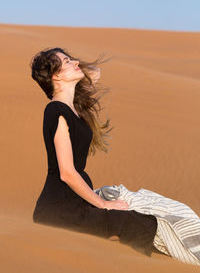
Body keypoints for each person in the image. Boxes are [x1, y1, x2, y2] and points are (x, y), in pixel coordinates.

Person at [30, 47, 158, 256]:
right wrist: (104, 204)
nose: (75, 63)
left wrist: (74, 67)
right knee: (138, 225)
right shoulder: (55, 110)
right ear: (55, 75)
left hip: (74, 204)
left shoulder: (72, 108)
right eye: (67, 61)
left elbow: (95, 72)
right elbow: (67, 172)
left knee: (140, 223)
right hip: (60, 210)